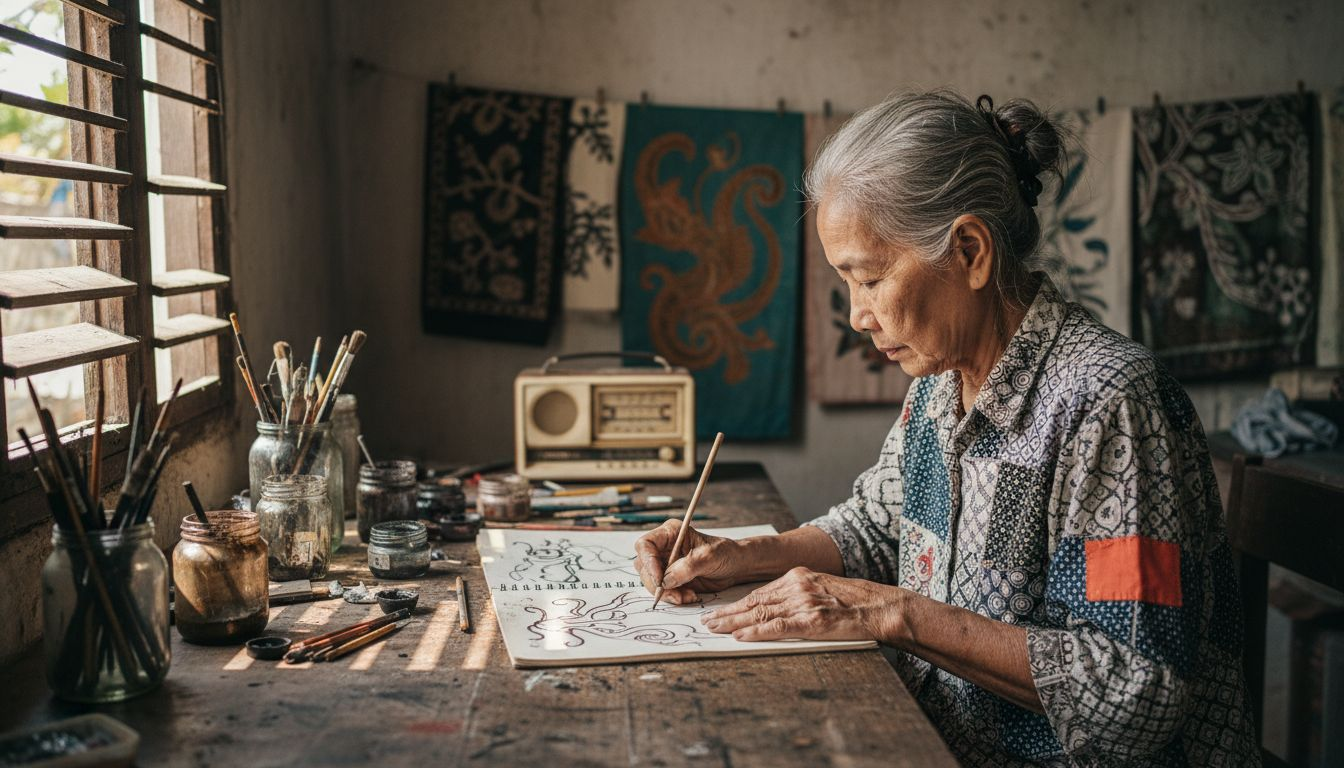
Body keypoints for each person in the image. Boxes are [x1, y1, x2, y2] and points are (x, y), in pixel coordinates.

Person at [634, 91, 1259, 766]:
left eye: (869, 279)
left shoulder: (1108, 402)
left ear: (969, 250)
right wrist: (744, 554)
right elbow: (879, 526)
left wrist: (895, 614)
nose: (857, 316)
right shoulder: (939, 387)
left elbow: (1131, 692)